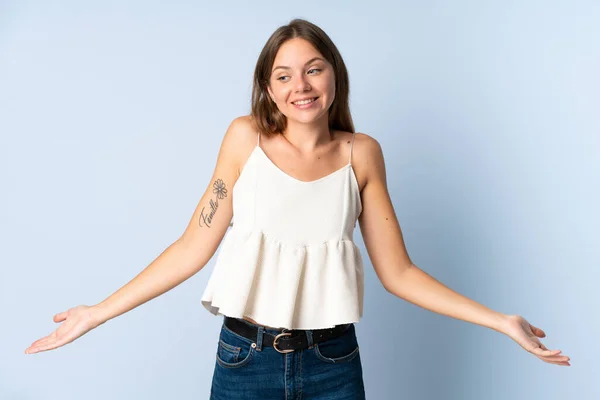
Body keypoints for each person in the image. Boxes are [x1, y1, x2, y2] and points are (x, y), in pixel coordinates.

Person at [25, 18, 570, 399]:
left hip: (334, 364)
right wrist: (96, 313)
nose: (300, 86)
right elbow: (193, 246)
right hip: (245, 361)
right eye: (283, 75)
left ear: (334, 75)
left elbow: (399, 273)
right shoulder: (244, 140)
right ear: (267, 87)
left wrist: (501, 322)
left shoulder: (362, 154)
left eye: (313, 69)